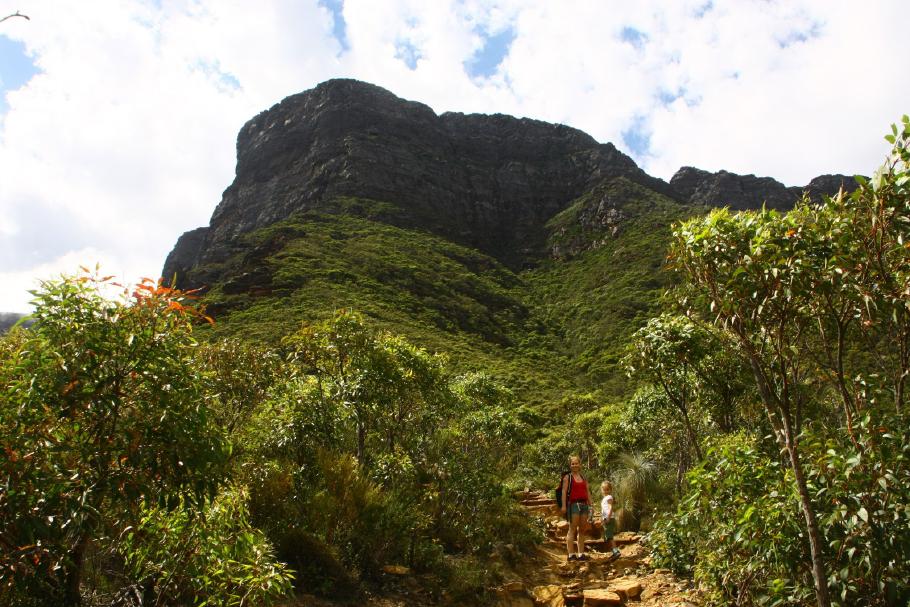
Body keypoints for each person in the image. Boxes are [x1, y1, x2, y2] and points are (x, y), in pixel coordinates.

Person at [560, 455, 591, 562]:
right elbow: (564, 492)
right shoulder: (567, 477)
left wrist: (591, 505)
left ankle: (581, 554)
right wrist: (563, 506)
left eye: (576, 463)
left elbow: (587, 491)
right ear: (570, 465)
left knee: (582, 529)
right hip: (573, 505)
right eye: (572, 463)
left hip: (584, 505)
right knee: (572, 528)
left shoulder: (583, 477)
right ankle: (571, 554)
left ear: (580, 464)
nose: (574, 465)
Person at [600, 480, 621, 561]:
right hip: (606, 518)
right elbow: (603, 510)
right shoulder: (605, 498)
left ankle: (616, 551)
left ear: (610, 490)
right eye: (604, 489)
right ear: (602, 490)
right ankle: (614, 552)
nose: (605, 491)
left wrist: (608, 517)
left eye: (607, 489)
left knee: (609, 536)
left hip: (609, 518)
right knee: (607, 537)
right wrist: (602, 519)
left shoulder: (609, 497)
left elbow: (610, 507)